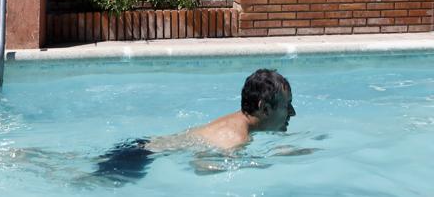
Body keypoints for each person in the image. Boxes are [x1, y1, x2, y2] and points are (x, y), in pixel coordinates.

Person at [92, 68, 296, 181]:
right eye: (287, 106)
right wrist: (260, 162)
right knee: (85, 182)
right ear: (265, 109)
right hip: (137, 159)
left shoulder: (239, 120)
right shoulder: (236, 137)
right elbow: (202, 167)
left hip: (139, 148)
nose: (292, 113)